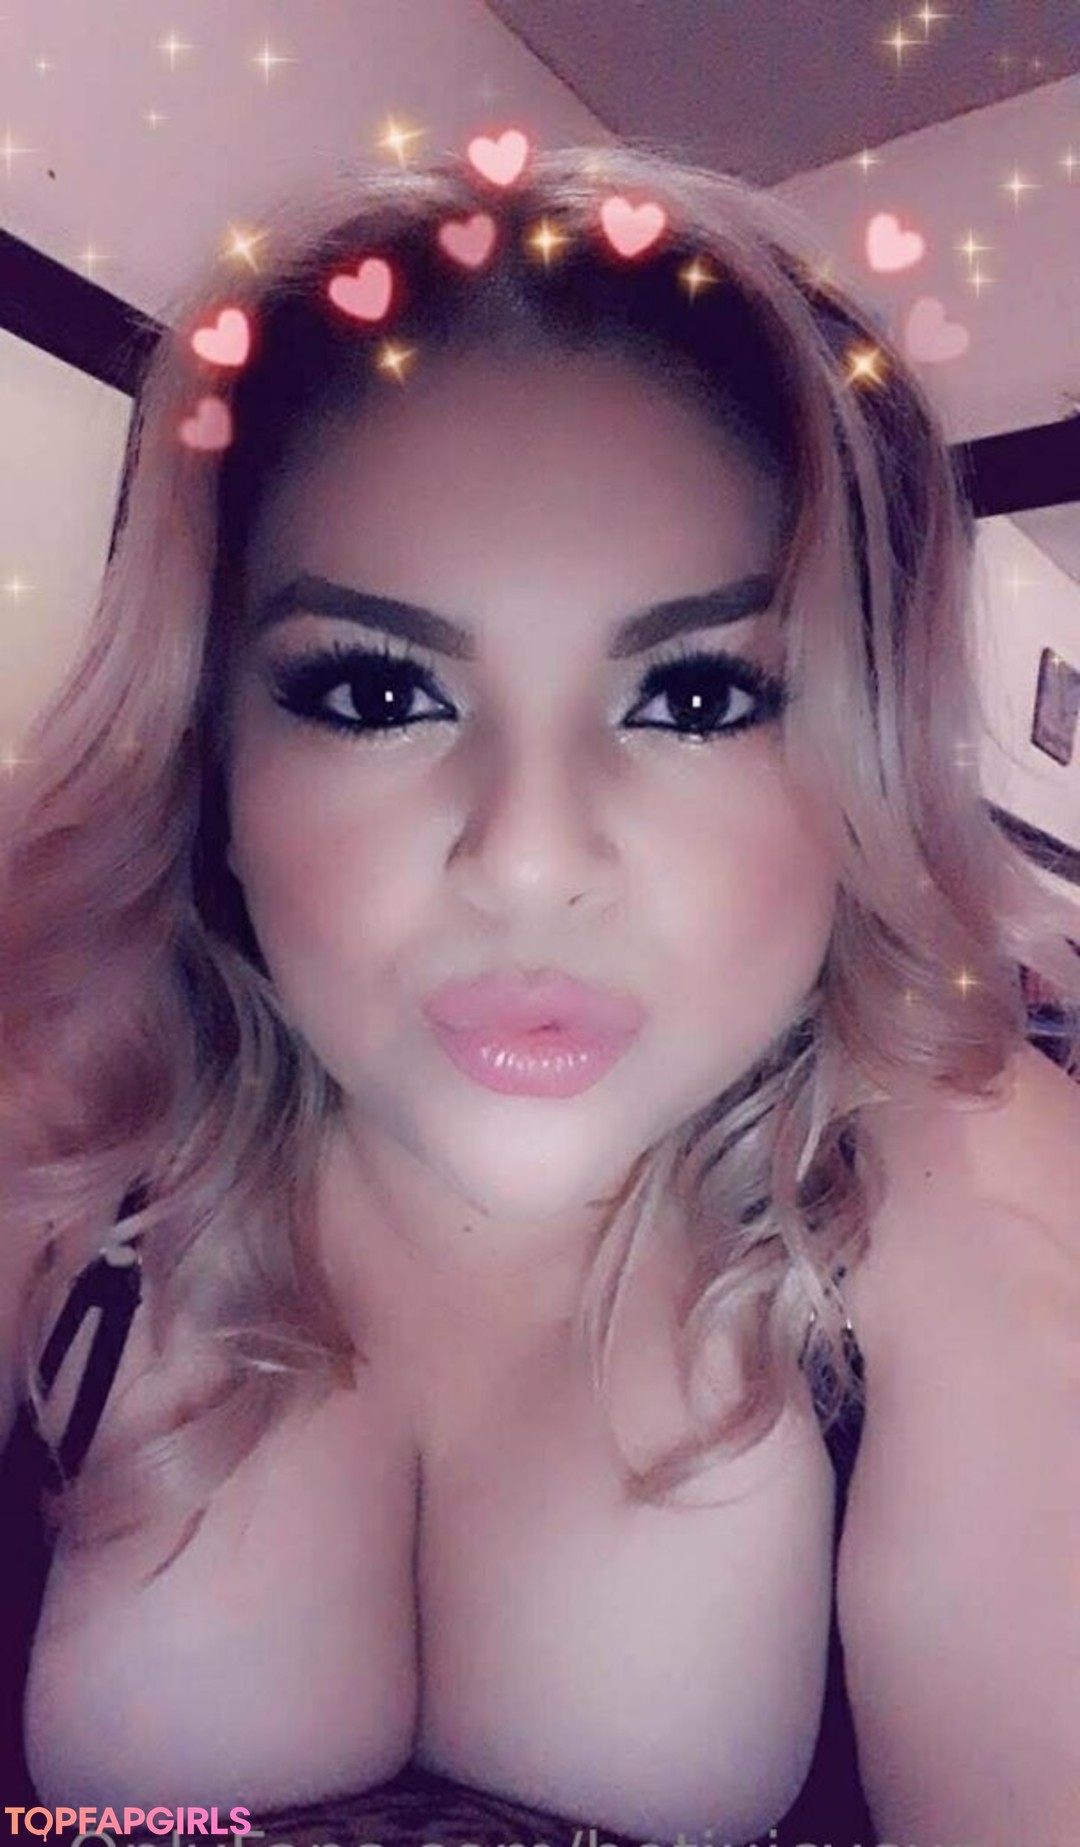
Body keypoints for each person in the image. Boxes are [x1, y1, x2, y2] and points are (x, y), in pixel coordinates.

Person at [1, 134, 1079, 1847]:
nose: (525, 859)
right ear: (209, 753)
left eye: (697, 699)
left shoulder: (956, 1177)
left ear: (860, 763)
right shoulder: (67, 1113)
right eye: (375, 693)